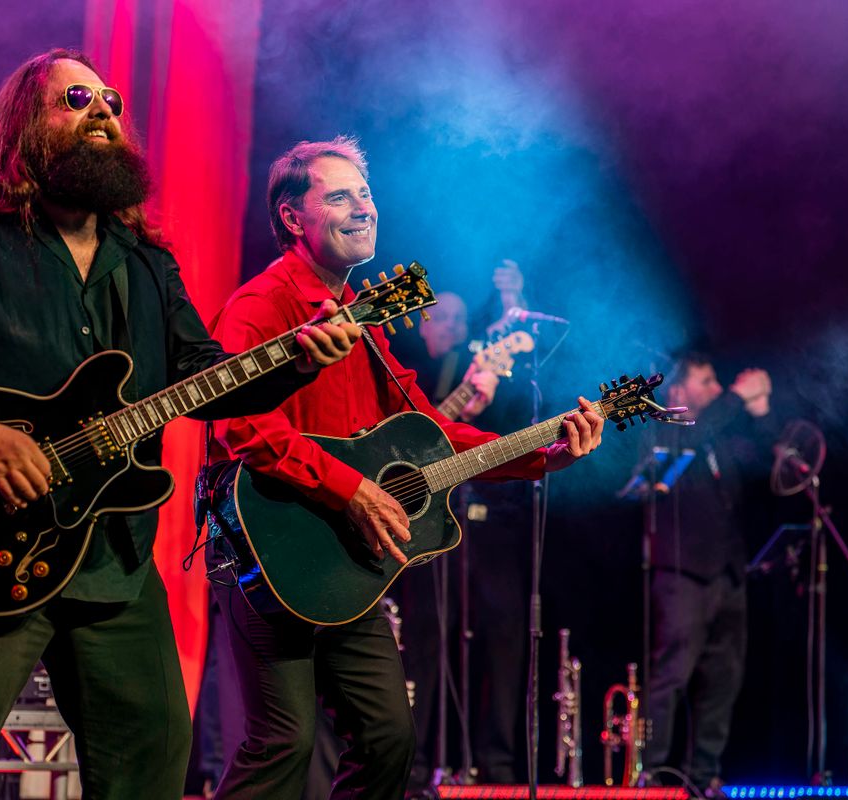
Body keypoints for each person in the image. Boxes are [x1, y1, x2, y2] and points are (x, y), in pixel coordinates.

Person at [0, 49, 359, 800]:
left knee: (154, 752)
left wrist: (299, 360)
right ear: (27, 125)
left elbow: (202, 379)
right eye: (77, 97)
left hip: (113, 558)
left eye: (112, 100)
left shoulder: (146, 262)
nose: (104, 111)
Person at [206, 136, 605, 800]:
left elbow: (433, 434)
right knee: (284, 743)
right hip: (269, 551)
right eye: (339, 195)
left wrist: (546, 453)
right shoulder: (261, 306)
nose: (363, 207)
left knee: (389, 739)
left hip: (343, 564)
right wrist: (351, 488)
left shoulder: (369, 317)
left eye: (366, 193)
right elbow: (239, 423)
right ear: (290, 217)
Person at [388, 260, 538, 788]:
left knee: (502, 632)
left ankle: (496, 763)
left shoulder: (481, 368)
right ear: (423, 324)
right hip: (423, 528)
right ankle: (418, 761)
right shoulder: (404, 374)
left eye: (459, 318)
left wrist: (512, 303)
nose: (453, 326)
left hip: (487, 520)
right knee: (425, 639)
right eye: (442, 317)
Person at [641, 353, 775, 797]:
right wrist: (738, 394)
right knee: (671, 675)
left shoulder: (722, 434)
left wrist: (760, 414)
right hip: (682, 571)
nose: (717, 390)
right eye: (706, 381)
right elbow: (700, 430)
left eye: (718, 383)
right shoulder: (670, 428)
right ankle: (653, 776)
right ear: (677, 392)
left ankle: (702, 776)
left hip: (728, 574)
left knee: (723, 680)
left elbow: (772, 470)